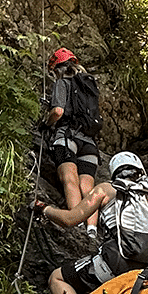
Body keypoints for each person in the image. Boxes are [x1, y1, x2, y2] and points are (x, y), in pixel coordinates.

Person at [33, 151, 148, 294]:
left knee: (57, 278)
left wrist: (44, 209)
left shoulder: (106, 189)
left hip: (115, 263)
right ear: (141, 171)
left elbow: (70, 219)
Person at [44, 47, 101, 235]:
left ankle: (76, 225)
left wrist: (46, 123)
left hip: (68, 137)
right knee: (88, 187)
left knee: (70, 179)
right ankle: (92, 229)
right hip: (90, 144)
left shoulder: (63, 83)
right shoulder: (89, 87)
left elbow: (58, 111)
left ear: (57, 68)